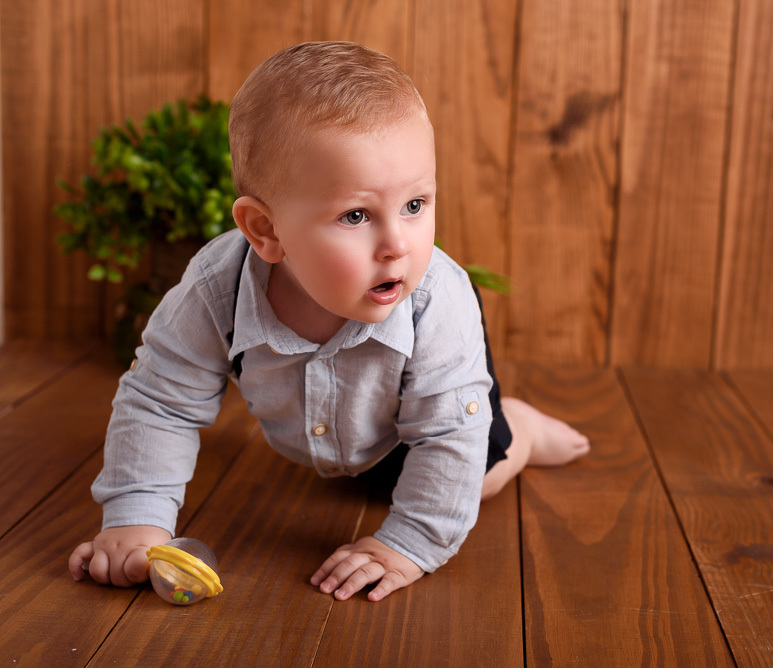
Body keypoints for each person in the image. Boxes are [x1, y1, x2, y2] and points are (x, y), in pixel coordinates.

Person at [68, 41, 590, 602]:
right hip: (339, 431)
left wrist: (408, 543)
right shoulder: (215, 288)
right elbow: (160, 401)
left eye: (416, 205)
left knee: (472, 476)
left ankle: (521, 431)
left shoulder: (437, 300)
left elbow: (446, 437)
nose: (398, 245)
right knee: (368, 479)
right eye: (356, 215)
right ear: (265, 230)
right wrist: (136, 515)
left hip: (426, 417)